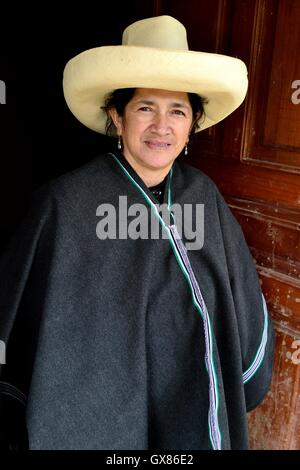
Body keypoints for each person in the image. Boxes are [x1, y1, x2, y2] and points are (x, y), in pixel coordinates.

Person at [0, 15, 274, 450]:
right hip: (91, 403)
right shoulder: (67, 203)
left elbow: (236, 296)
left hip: (186, 397)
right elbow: (27, 320)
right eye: (145, 107)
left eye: (178, 111)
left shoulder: (202, 196)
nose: (161, 126)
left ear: (192, 126)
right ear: (117, 116)